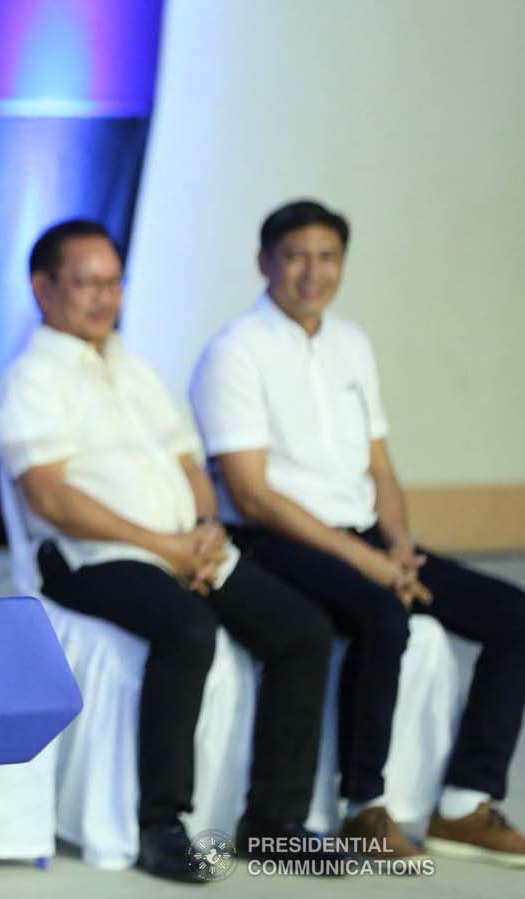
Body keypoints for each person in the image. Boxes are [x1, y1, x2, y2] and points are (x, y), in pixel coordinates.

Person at [0, 219, 339, 882]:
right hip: (88, 556)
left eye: (113, 282)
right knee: (187, 626)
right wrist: (164, 547)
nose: (103, 298)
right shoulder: (29, 378)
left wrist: (205, 527)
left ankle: (273, 819)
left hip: (186, 546)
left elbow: (190, 460)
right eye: (86, 283)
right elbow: (52, 499)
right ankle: (162, 824)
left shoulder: (135, 368)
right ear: (42, 287)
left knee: (303, 629)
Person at [190, 199, 525, 866]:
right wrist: (366, 563)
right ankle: (362, 805)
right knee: (381, 615)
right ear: (265, 262)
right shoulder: (235, 351)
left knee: (515, 614)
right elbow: (253, 493)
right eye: (296, 256)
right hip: (272, 538)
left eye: (327, 257)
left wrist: (398, 544)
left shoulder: (351, 343)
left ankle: (464, 800)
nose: (313, 272)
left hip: (365, 535)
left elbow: (379, 464)